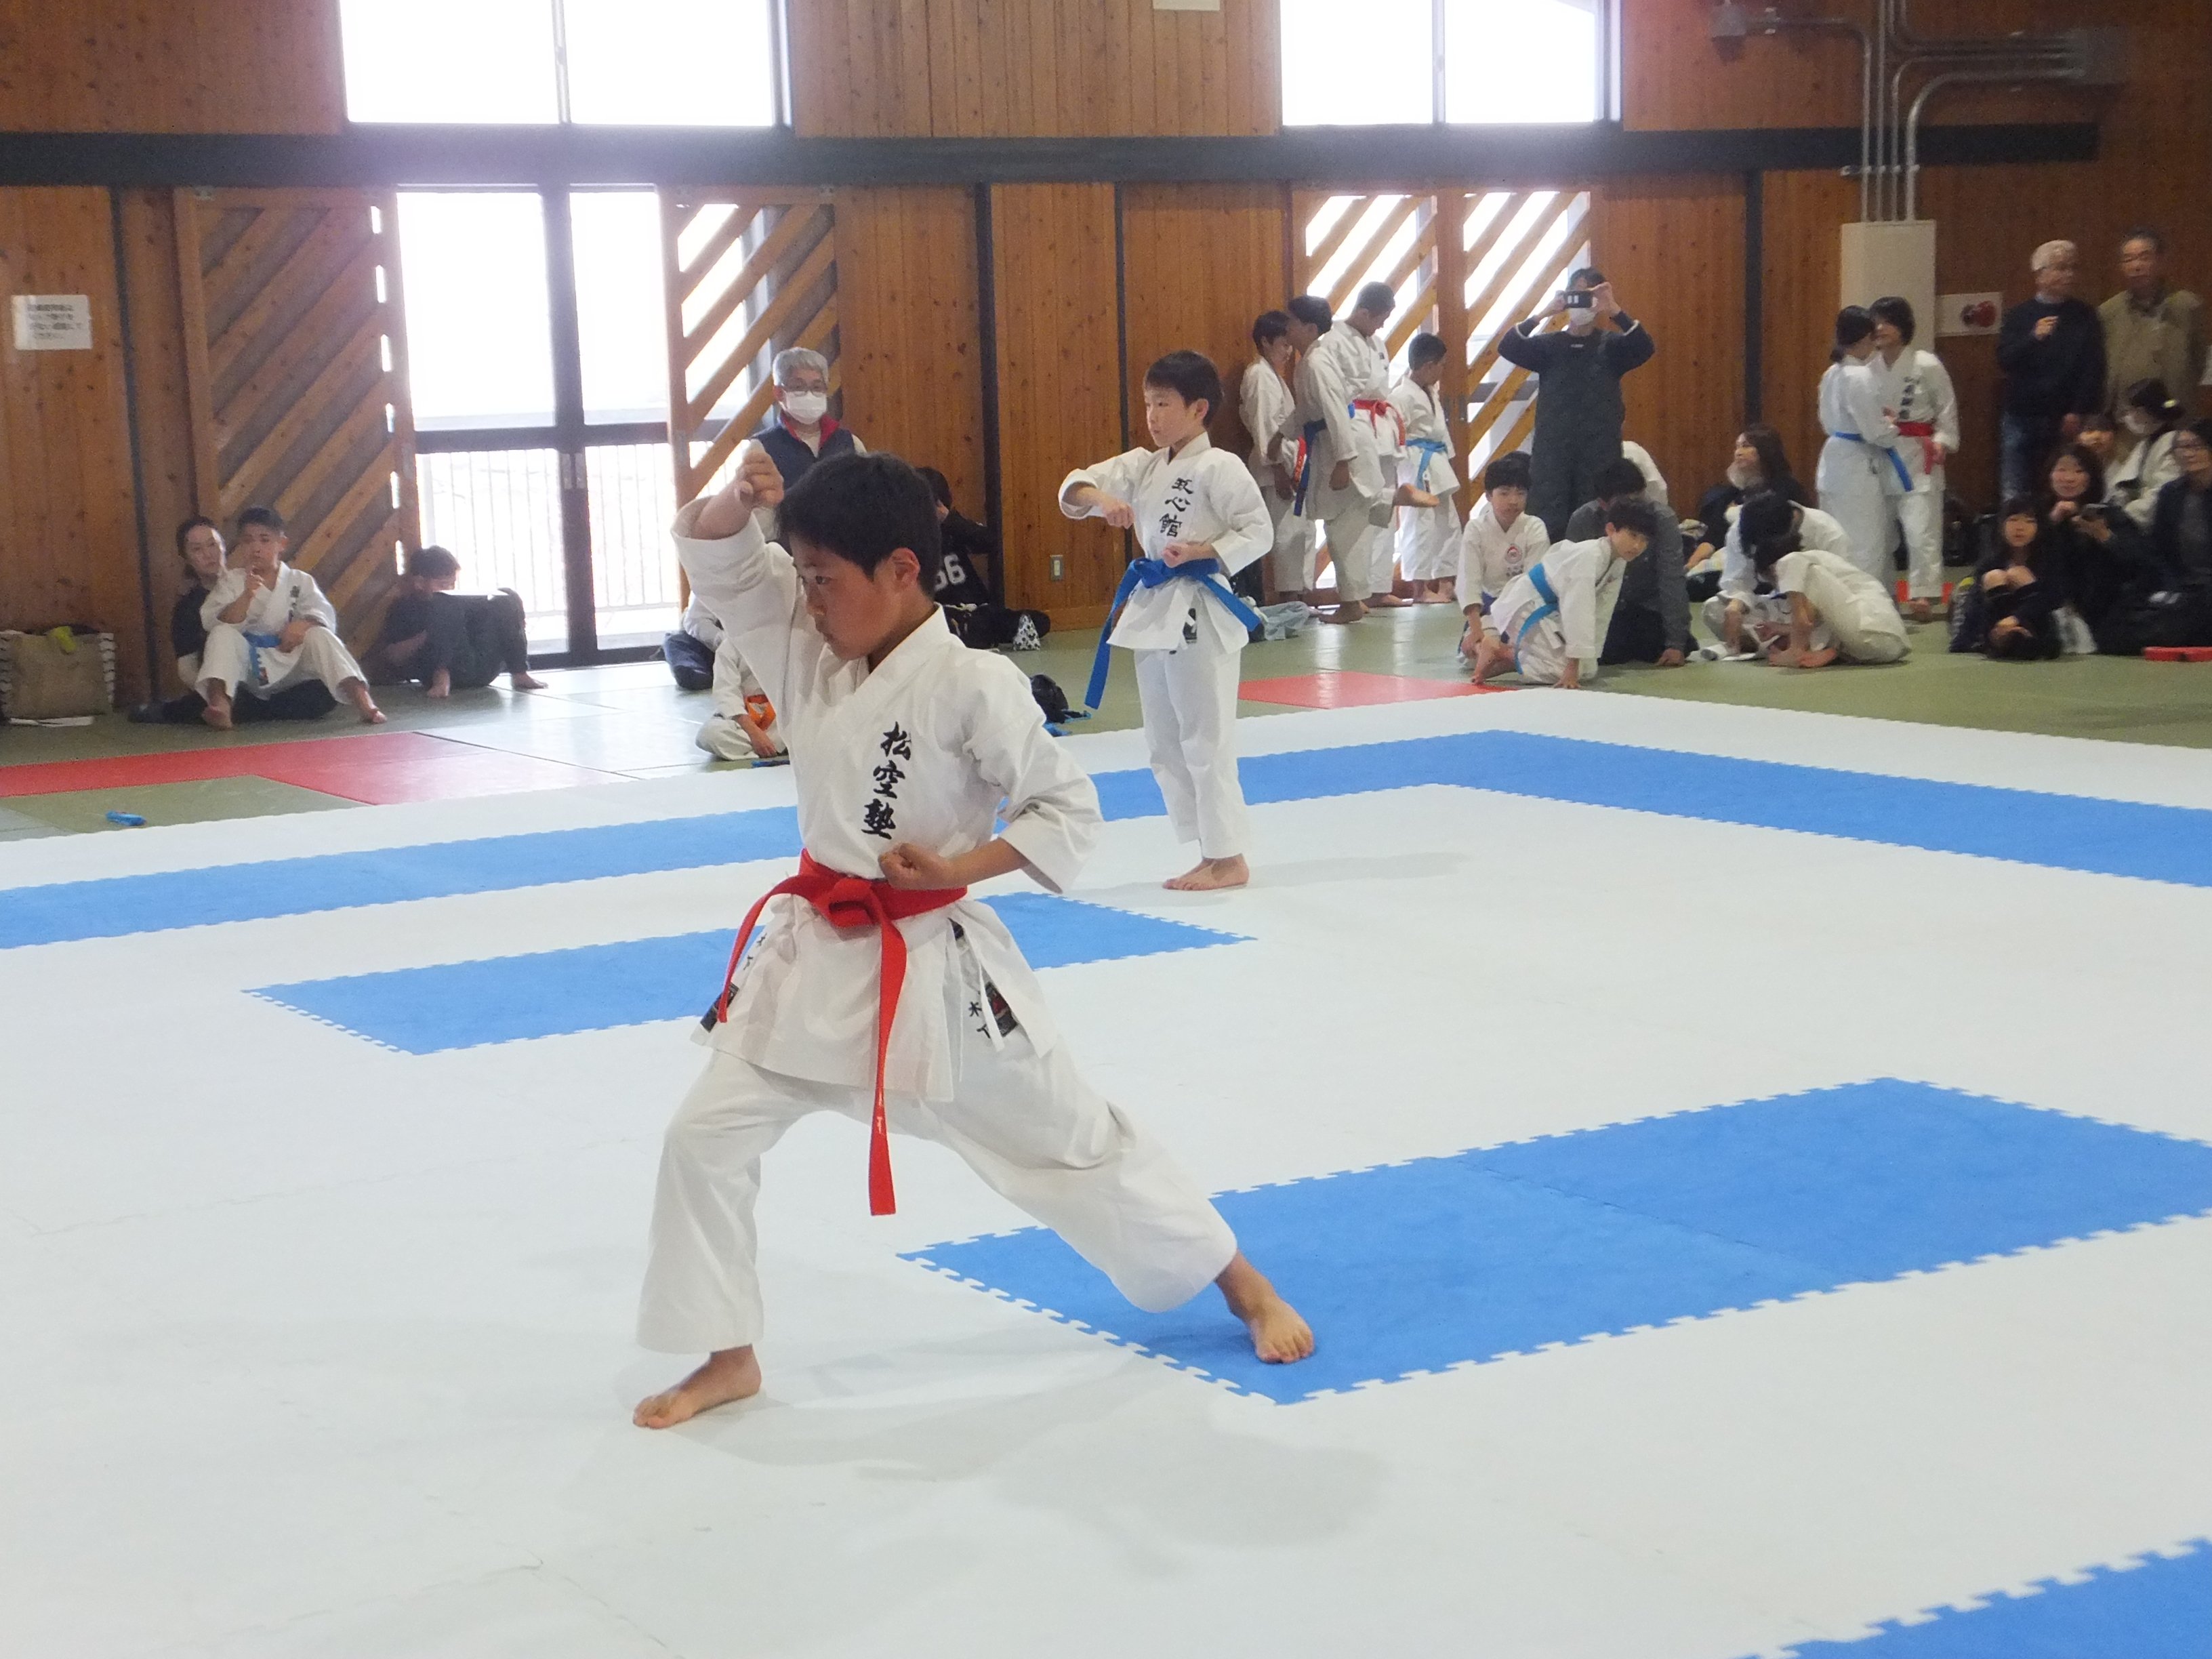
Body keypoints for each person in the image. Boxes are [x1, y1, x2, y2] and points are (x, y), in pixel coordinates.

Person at [630, 447, 1313, 1429]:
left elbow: (1065, 809)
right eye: (802, 575)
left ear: (902, 569)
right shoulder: (803, 644)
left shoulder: (974, 683)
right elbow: (720, 556)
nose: (808, 597)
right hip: (811, 959)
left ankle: (1243, 1284)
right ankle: (727, 1353)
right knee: (701, 1138)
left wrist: (958, 867)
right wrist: (737, 498)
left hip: (934, 979)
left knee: (1074, 1142)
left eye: (825, 578)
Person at [1061, 352, 1271, 893]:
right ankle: (1208, 849)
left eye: (1164, 404)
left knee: (1206, 738)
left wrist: (1206, 550)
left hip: (1201, 606)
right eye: (1149, 403)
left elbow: (1258, 531)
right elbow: (1076, 487)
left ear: (1198, 409)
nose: (1153, 416)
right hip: (1154, 607)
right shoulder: (1145, 465)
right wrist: (1103, 500)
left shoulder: (1220, 466)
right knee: (1165, 743)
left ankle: (1229, 857)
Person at [1290, 285, 1435, 623]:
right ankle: (1389, 498)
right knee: (1354, 514)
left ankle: (1353, 602)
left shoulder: (1317, 361)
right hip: (1348, 434)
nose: (1287, 329)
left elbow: (1332, 409)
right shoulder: (1324, 350)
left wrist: (1343, 459)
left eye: (1291, 323)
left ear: (1307, 329)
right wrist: (1281, 436)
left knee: (1344, 523)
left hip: (1348, 437)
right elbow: (1313, 410)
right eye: (1381, 318)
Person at [1495, 265, 1656, 538]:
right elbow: (1508, 346)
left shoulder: (1612, 347)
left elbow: (1644, 347)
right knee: (1548, 526)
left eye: (1587, 296)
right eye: (1576, 295)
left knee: (1596, 526)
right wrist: (1545, 312)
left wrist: (1615, 310)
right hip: (1553, 456)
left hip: (1599, 454)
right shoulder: (1548, 347)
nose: (1581, 302)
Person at [129, 516, 338, 724]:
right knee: (223, 686)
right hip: (229, 685)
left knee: (325, 694)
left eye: (213, 544)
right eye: (197, 549)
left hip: (277, 675)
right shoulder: (188, 607)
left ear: (224, 546)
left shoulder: (254, 580)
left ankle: (251, 710)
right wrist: (213, 688)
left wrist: (304, 626)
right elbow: (187, 669)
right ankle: (192, 709)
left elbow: (313, 617)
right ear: (187, 558)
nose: (208, 554)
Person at [197, 506, 382, 729]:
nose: (256, 548)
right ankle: (221, 706)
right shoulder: (232, 582)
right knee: (222, 634)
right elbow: (213, 621)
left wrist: (304, 625)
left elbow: (323, 614)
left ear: (281, 544)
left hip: (289, 658)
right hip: (248, 665)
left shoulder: (299, 581)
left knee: (320, 635)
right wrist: (246, 597)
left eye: (265, 540)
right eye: (248, 541)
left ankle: (364, 701)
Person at [1470, 497, 1657, 689]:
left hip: (1553, 611)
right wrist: (1572, 664)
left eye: (1644, 540)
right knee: (1562, 670)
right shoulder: (1590, 557)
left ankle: (1506, 658)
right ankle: (1500, 650)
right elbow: (1578, 610)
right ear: (1611, 529)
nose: (1637, 546)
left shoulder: (1617, 561)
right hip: (1529, 605)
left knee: (1588, 669)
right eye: (1633, 536)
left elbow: (1602, 612)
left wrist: (1587, 656)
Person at [1738, 491, 1909, 670]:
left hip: (1875, 635)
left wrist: (1794, 652)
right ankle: (1835, 652)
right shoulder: (1816, 560)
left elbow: (1803, 621)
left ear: (1772, 570)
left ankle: (1802, 650)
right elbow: (1820, 616)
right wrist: (1783, 628)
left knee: (1808, 585)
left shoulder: (1790, 562)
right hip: (1880, 645)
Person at [1868, 296, 1960, 623]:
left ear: (1904, 326)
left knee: (1922, 530)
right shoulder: (1868, 369)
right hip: (1882, 455)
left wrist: (1943, 440)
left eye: (1888, 321)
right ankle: (1883, 593)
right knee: (1879, 534)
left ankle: (1923, 594)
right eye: (1876, 322)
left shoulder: (1926, 364)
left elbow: (1946, 409)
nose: (1880, 328)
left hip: (1919, 456)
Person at [1998, 241, 2106, 498]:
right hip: (2022, 415)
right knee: (2015, 489)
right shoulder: (2019, 315)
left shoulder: (2085, 315)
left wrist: (2077, 410)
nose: (2069, 275)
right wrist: (2033, 338)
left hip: (2066, 417)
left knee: (2064, 487)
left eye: (2073, 268)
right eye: (2060, 268)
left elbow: (2093, 367)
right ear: (2039, 274)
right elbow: (2005, 360)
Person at [1816, 306, 1909, 590]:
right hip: (1857, 468)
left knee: (1837, 542)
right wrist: (1891, 425)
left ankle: (1847, 603)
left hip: (1833, 460)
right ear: (1867, 337)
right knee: (1867, 545)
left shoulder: (1832, 374)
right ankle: (1867, 605)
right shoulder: (1860, 376)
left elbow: (1827, 421)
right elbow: (1876, 433)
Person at [1563, 456, 1687, 667]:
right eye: (1625, 503)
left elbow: (1672, 579)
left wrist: (1676, 642)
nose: (1635, 508)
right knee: (1606, 652)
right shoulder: (1583, 519)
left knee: (1665, 646)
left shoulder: (1662, 518)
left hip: (1648, 606)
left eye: (1639, 499)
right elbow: (1571, 585)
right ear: (1603, 504)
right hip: (1603, 609)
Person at [1702, 493, 1859, 659]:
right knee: (1714, 609)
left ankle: (1777, 643)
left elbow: (1842, 593)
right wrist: (1735, 608)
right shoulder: (1744, 528)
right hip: (1779, 607)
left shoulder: (1827, 532)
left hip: (1820, 611)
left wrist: (1794, 627)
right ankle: (1781, 642)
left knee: (1842, 630)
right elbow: (1739, 580)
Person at [912, 465, 1049, 651]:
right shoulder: (908, 537)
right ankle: (968, 634)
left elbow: (990, 542)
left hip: (978, 609)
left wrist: (949, 519)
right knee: (944, 628)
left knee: (1040, 621)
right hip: (942, 614)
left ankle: (974, 633)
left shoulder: (953, 527)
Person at [376, 546, 543, 696]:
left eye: (452, 585)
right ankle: (442, 675)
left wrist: (510, 619)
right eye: (443, 585)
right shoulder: (404, 608)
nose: (450, 589)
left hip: (478, 664)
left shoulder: (457, 603)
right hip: (440, 670)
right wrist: (429, 634)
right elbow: (394, 657)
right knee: (443, 603)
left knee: (505, 596)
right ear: (419, 583)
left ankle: (520, 673)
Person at [2100, 228, 2206, 441]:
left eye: (2144, 257)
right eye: (2128, 259)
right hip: (2125, 424)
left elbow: (2198, 360)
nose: (2136, 266)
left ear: (2161, 261)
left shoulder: (2187, 306)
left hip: (2175, 421)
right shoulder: (2108, 312)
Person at [1240, 310, 1314, 601]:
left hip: (1288, 464)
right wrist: (1279, 469)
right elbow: (1266, 428)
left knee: (1299, 532)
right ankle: (1289, 598)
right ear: (1265, 342)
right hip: (1275, 470)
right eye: (1283, 344)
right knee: (1286, 535)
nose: (1288, 352)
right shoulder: (1259, 375)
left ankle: (1298, 597)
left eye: (1290, 345)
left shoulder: (1272, 376)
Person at [1685, 426, 1805, 602]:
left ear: (1766, 450)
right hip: (1729, 555)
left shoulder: (1786, 489)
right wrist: (1691, 564)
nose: (1738, 452)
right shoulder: (1732, 493)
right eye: (1737, 447)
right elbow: (1714, 535)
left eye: (1746, 446)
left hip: (1767, 558)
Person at [1389, 332, 1462, 603]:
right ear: (1429, 365)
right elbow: (1396, 437)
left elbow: (1439, 431)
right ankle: (1419, 590)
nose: (1443, 370)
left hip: (1437, 461)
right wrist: (1406, 469)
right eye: (1442, 365)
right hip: (1417, 464)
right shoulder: (1400, 396)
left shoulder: (1431, 391)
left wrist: (1448, 457)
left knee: (1448, 523)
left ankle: (1446, 583)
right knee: (1420, 526)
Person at [1455, 451, 1551, 661]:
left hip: (1526, 608)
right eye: (1504, 493)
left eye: (1520, 493)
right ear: (1489, 496)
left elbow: (1534, 583)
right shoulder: (1476, 529)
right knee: (1471, 653)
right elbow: (1468, 581)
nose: (1513, 501)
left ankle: (1503, 654)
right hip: (1490, 607)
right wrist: (1476, 630)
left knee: (1544, 652)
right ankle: (1494, 651)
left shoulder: (1535, 527)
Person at [1950, 497, 2064, 659]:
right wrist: (1963, 640)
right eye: (2013, 520)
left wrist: (2017, 618)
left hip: (2037, 626)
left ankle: (2024, 639)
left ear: (2040, 528)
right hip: (1996, 629)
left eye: (2029, 521)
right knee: (1994, 577)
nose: (2020, 527)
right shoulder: (1990, 562)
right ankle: (2005, 640)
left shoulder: (2048, 559)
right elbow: (1976, 603)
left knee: (2018, 574)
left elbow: (2053, 599)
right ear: (2002, 526)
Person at [752, 347, 864, 487]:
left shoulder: (851, 443)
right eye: (798, 387)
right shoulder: (761, 447)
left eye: (817, 387)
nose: (809, 394)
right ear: (779, 393)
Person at [2107, 379, 2188, 530]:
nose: (2128, 417)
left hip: (2158, 526)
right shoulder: (2145, 444)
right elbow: (2125, 483)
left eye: (2132, 410)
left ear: (2147, 412)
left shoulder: (2174, 444)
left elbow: (2162, 493)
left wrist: (2125, 515)